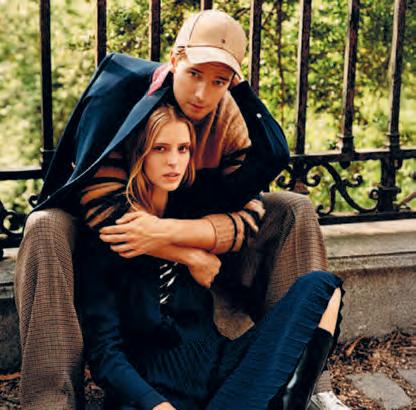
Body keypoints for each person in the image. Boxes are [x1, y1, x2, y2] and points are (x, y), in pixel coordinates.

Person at [14, 9, 348, 410]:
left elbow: (253, 197)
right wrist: (187, 254)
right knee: (44, 224)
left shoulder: (225, 114)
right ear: (175, 59)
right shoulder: (121, 96)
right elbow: (104, 211)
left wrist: (172, 234)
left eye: (219, 81)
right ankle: (50, 401)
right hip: (105, 230)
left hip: (186, 228)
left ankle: (307, 383)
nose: (202, 94)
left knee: (295, 208)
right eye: (194, 74)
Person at [78, 102, 343, 410]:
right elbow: (105, 354)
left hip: (224, 375)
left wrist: (240, 89)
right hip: (155, 395)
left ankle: (290, 405)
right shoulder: (109, 234)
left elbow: (271, 156)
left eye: (183, 149)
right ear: (139, 154)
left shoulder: (196, 206)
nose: (173, 161)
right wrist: (157, 405)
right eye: (160, 148)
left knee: (323, 288)